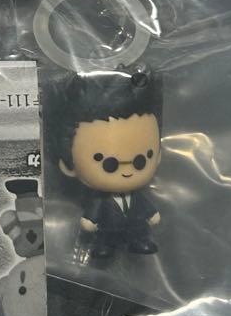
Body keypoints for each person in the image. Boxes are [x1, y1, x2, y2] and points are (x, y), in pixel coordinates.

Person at [54, 69, 164, 260]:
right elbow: (93, 213)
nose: (127, 171)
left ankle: (139, 241)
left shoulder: (136, 196)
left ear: (158, 155)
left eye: (140, 161)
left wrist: (152, 214)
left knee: (139, 233)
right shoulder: (100, 200)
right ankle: (105, 246)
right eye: (109, 165)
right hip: (108, 231)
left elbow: (145, 206)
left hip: (136, 228)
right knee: (105, 240)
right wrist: (89, 221)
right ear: (68, 165)